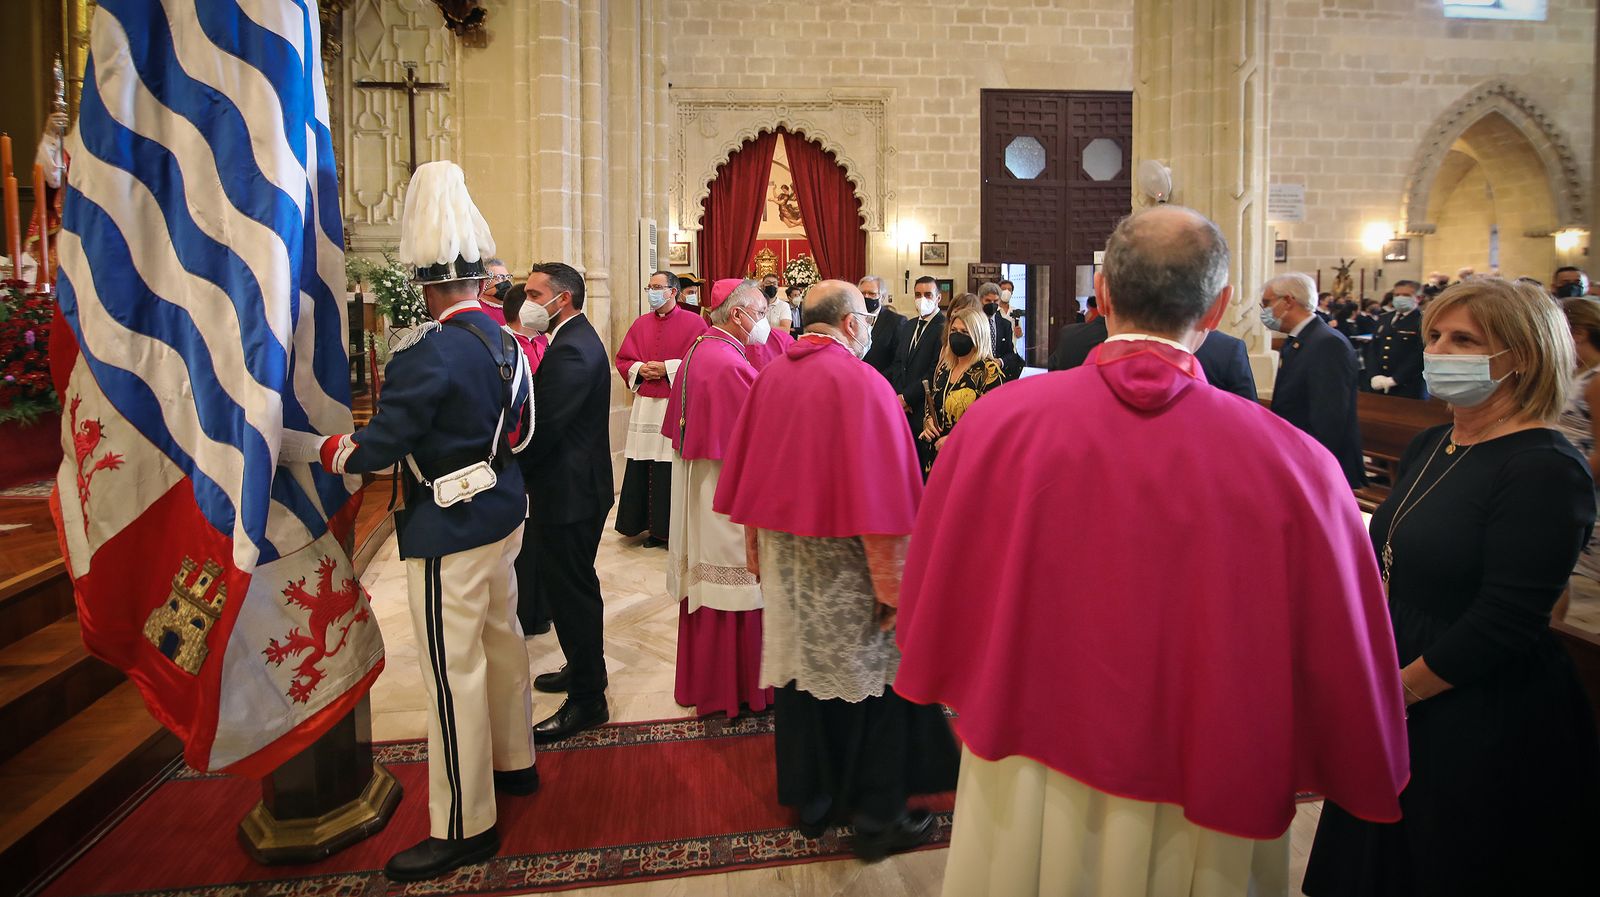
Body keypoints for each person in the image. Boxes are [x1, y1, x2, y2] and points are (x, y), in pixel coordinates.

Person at [895, 206, 1409, 897]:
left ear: (1102, 294)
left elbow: (938, 578)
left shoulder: (997, 425)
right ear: (1221, 307)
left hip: (1033, 750)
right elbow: (1343, 637)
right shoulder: (1298, 466)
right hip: (1208, 761)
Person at [1306, 278, 1600, 896]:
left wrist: (1396, 693)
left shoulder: (1543, 466)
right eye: (1435, 335)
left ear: (1523, 356)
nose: (1438, 350)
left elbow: (1509, 619)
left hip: (1476, 700)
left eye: (1463, 339)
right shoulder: (1434, 442)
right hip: (1403, 672)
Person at [290, 161, 539, 881]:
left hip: (448, 526)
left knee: (450, 671)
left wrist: (308, 445)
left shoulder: (427, 352)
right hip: (502, 509)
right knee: (502, 641)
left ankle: (465, 822)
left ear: (428, 285)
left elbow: (375, 449)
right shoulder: (507, 342)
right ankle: (514, 763)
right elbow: (522, 433)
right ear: (478, 282)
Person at [714, 279, 959, 858]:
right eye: (867, 318)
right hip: (847, 571)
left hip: (787, 564)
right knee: (874, 688)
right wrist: (893, 586)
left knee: (802, 683)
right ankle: (878, 819)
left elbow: (750, 476)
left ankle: (814, 804)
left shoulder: (772, 373)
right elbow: (886, 500)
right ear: (850, 323)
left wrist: (756, 554)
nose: (871, 327)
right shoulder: (863, 383)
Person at [662, 280, 774, 718]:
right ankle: (740, 688)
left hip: (707, 484)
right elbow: (761, 435)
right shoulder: (726, 363)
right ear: (736, 314)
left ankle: (709, 683)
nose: (763, 322)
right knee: (737, 584)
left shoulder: (702, 348)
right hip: (726, 491)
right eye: (760, 313)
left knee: (713, 585)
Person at [522, 262, 616, 743]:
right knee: (569, 590)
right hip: (572, 487)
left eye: (536, 293)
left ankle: (587, 700)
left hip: (571, 493)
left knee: (572, 591)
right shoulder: (570, 340)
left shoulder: (574, 351)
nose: (527, 300)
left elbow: (542, 428)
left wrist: (507, 462)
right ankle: (583, 670)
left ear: (564, 299)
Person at [613, 270, 707, 546]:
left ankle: (670, 530)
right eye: (649, 287)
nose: (652, 292)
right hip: (645, 405)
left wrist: (667, 368)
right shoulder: (640, 323)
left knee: (668, 465)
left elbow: (701, 360)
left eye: (657, 287)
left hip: (673, 404)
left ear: (672, 292)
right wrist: (640, 368)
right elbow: (622, 359)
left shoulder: (695, 322)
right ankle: (647, 527)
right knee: (643, 462)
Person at [1265, 273, 1366, 488]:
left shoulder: (1327, 343)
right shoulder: (1300, 339)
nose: (1264, 311)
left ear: (1288, 301)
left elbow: (1329, 417)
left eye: (1267, 303)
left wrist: (1311, 466)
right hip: (1300, 456)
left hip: (1321, 465)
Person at [1046, 309, 1258, 400]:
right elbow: (1250, 420)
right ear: (1217, 307)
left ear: (1103, 294)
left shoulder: (1020, 409)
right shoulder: (1227, 349)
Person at [502, 282, 552, 638]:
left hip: (543, 449)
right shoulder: (504, 345)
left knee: (539, 536)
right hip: (515, 450)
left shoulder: (543, 342)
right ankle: (523, 609)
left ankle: (540, 607)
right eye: (535, 301)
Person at [919, 304, 1005, 476]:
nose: (957, 336)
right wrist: (928, 422)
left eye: (964, 332)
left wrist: (955, 440)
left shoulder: (989, 371)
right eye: (954, 331)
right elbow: (933, 402)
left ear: (977, 335)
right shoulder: (945, 367)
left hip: (968, 461)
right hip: (936, 457)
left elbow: (993, 423)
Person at [1558, 297, 1600, 585]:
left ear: (1579, 334)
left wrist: (1575, 485)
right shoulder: (1574, 374)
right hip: (1563, 476)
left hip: (1583, 484)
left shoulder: (1596, 380)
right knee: (1559, 569)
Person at [889, 276, 947, 433]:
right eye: (918, 295)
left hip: (924, 407)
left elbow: (934, 370)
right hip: (902, 408)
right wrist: (898, 395)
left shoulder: (944, 328)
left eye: (928, 295)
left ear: (938, 298)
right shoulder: (909, 325)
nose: (922, 299)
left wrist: (907, 397)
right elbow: (899, 363)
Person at [1365, 279, 1426, 398]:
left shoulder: (1423, 321)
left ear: (1418, 298)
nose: (1400, 298)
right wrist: (1374, 374)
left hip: (1407, 386)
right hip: (1378, 383)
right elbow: (1373, 349)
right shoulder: (1384, 318)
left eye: (1406, 295)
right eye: (1397, 295)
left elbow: (1419, 355)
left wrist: (1396, 379)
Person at [977, 282, 1024, 380]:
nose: (992, 304)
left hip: (999, 375)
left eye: (995, 301)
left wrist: (1000, 361)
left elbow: (1010, 354)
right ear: (980, 300)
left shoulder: (1005, 324)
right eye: (988, 301)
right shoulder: (974, 323)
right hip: (978, 374)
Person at [860, 274, 904, 379]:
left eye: (871, 294)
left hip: (881, 381)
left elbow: (899, 361)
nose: (866, 297)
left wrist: (877, 379)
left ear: (882, 297)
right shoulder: (852, 319)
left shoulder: (896, 321)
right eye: (863, 293)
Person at [476, 257, 513, 324]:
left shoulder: (515, 308)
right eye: (500, 277)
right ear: (485, 282)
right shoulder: (479, 311)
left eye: (508, 277)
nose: (506, 282)